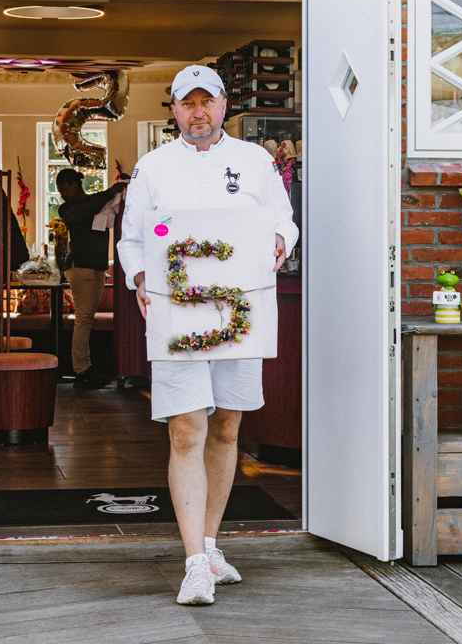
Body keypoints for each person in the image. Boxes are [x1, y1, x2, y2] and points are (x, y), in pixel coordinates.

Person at [116, 64, 297, 606]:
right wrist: (141, 275)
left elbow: (284, 221)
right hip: (179, 315)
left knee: (226, 427)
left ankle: (212, 545)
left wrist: (280, 243)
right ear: (173, 110)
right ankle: (194, 562)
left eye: (207, 101)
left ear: (223, 106)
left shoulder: (255, 161)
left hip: (242, 310)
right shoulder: (153, 168)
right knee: (186, 430)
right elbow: (132, 241)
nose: (198, 111)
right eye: (186, 102)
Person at [55, 168, 127, 390]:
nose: (64, 195)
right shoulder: (67, 209)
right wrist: (109, 192)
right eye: (60, 191)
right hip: (81, 267)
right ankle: (82, 370)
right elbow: (84, 211)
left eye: (67, 189)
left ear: (77, 184)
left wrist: (111, 194)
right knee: (84, 319)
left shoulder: (99, 204)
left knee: (87, 319)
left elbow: (92, 207)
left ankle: (86, 368)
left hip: (94, 267)